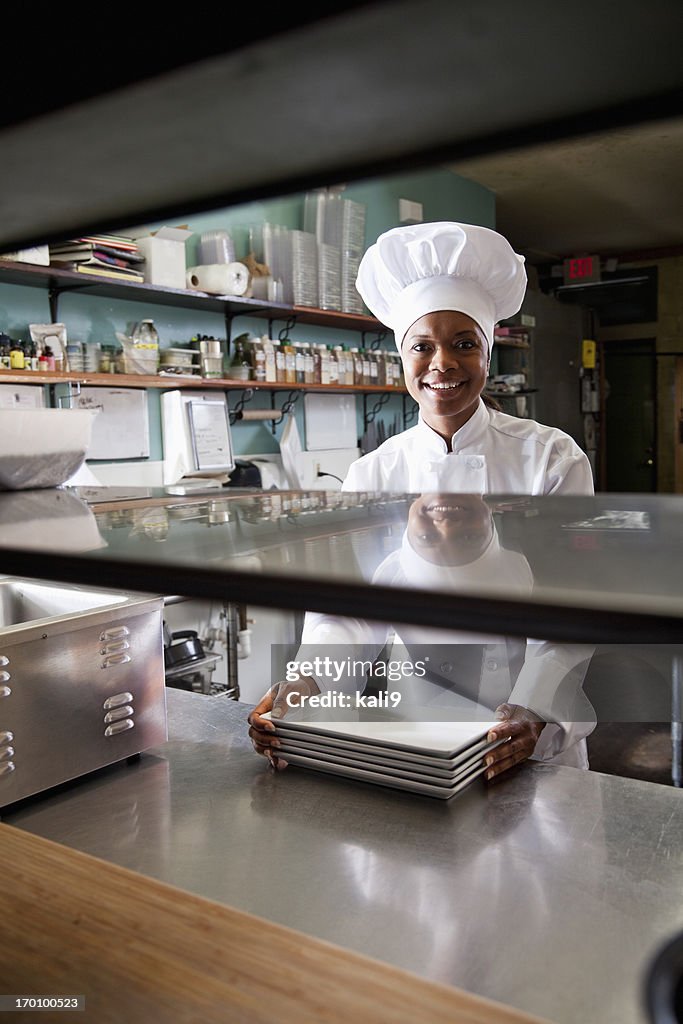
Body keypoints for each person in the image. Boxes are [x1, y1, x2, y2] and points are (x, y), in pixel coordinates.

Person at [248, 221, 595, 779]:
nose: (442, 363)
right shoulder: (372, 473)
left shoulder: (551, 460)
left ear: (488, 354)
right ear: (401, 356)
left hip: (533, 734)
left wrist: (536, 708)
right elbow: (348, 614)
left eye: (464, 344)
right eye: (422, 346)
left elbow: (572, 606)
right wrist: (306, 684)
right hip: (418, 733)